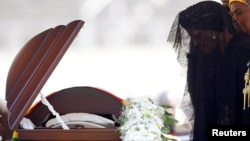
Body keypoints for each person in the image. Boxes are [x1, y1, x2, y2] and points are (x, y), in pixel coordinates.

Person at [167, 0, 250, 141]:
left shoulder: (242, 53)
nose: (196, 44)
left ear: (213, 31)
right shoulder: (215, 56)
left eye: (198, 37)